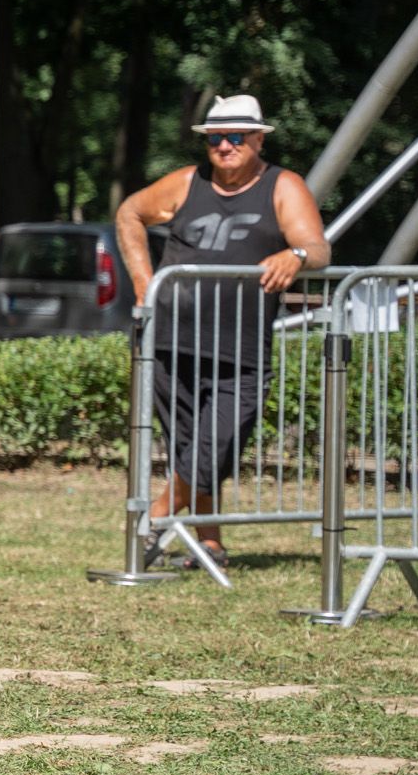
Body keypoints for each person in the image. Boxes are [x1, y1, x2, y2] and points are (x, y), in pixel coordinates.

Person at [116, 93, 330, 570]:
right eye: (215, 138)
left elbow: (318, 248)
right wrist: (144, 283)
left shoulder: (282, 186)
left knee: (216, 443)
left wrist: (294, 256)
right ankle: (209, 542)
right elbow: (129, 212)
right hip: (170, 339)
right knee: (190, 446)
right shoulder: (187, 182)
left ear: (258, 140)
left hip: (241, 346)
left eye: (235, 136)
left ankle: (152, 521)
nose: (225, 146)